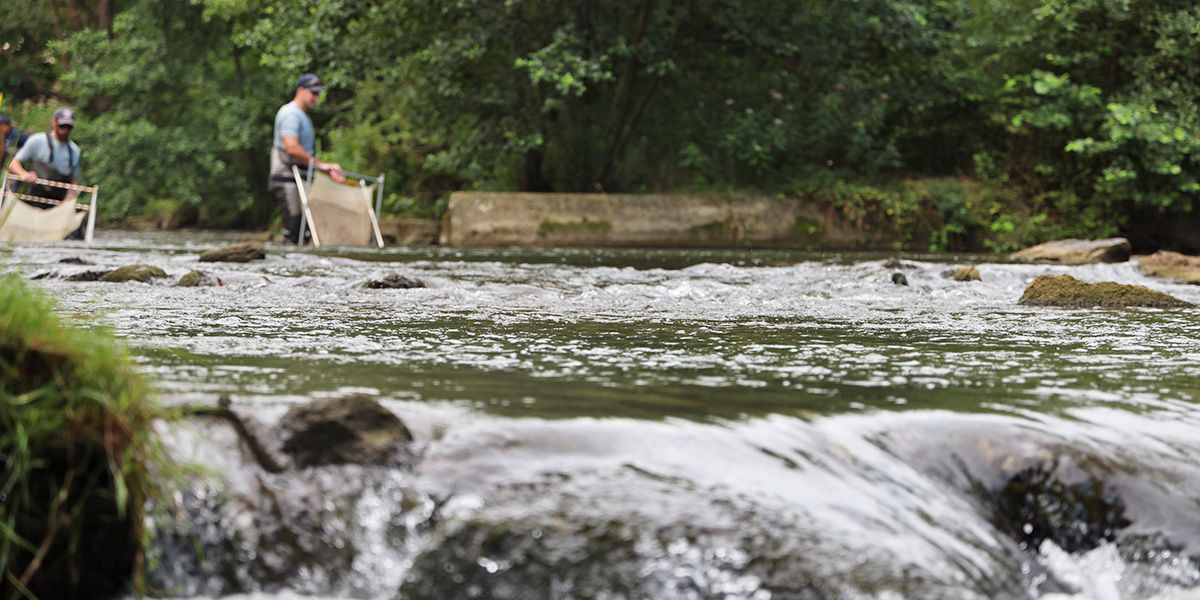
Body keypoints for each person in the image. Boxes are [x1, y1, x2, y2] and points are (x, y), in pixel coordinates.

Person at [268, 73, 345, 244]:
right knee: (294, 229)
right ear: (301, 90)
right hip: (287, 179)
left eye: (318, 94)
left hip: (302, 179)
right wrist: (322, 165)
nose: (316, 98)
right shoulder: (290, 114)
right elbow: (292, 148)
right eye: (313, 93)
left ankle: (302, 267)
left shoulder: (303, 116)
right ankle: (289, 269)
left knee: (305, 231)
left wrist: (325, 170)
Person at [8, 108, 81, 209]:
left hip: (57, 205)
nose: (65, 130)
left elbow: (74, 180)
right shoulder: (37, 140)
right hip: (33, 202)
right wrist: (24, 174)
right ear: (54, 122)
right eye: (62, 125)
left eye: (68, 127)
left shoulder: (74, 151)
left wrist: (70, 197)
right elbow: (13, 164)